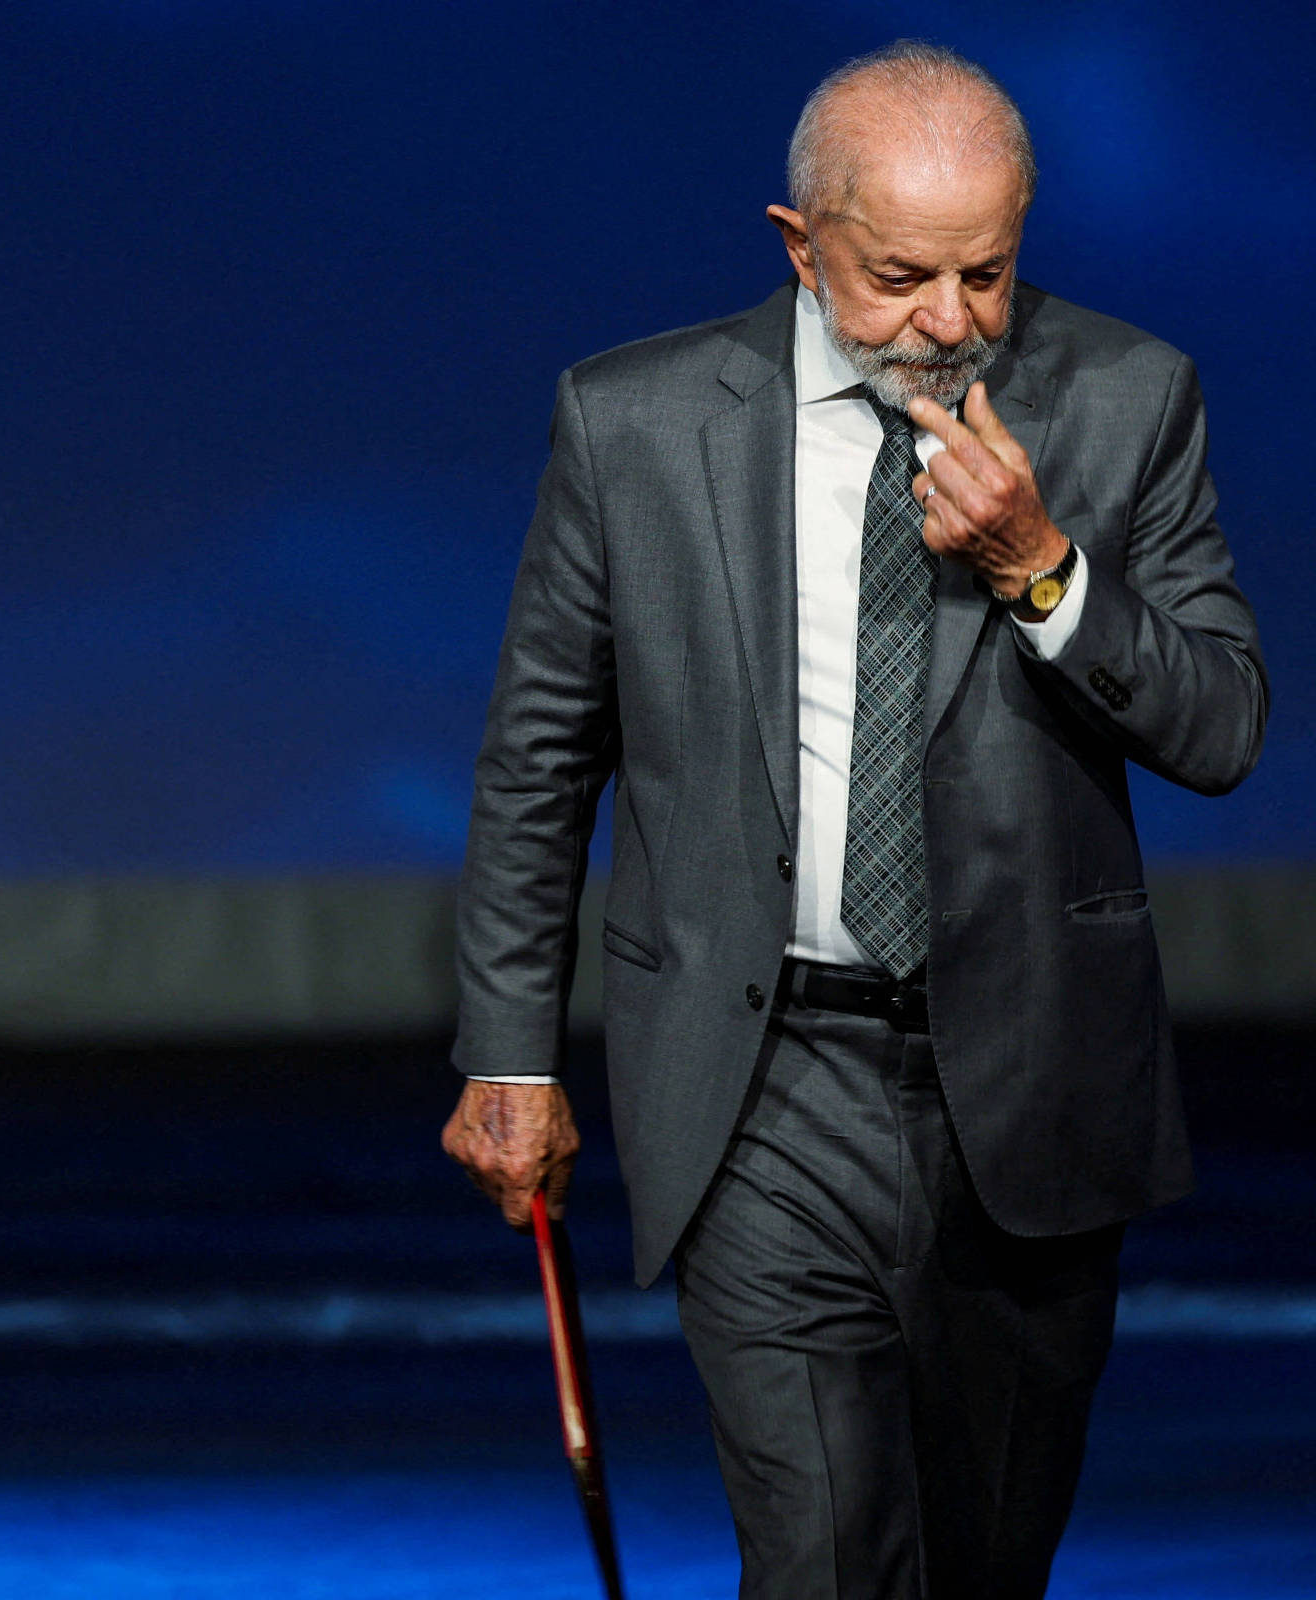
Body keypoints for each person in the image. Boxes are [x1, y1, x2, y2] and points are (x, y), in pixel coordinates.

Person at [440, 39, 1265, 1599]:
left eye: (986, 274)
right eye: (900, 277)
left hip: (1027, 1076)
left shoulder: (1128, 398)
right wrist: (511, 1054)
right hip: (762, 1077)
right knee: (821, 1560)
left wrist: (1043, 570)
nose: (949, 322)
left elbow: (1222, 728)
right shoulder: (635, 423)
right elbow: (542, 752)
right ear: (800, 243)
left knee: (982, 1561)